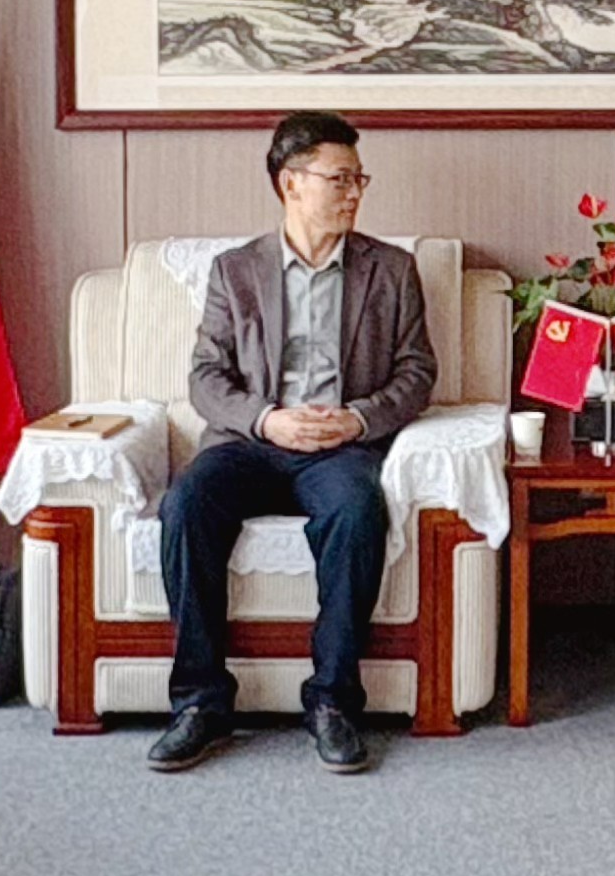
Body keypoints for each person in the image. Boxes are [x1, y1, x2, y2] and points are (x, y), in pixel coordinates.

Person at [153, 111, 436, 774]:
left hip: (341, 446)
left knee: (357, 511)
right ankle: (199, 702)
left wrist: (358, 419)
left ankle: (333, 701)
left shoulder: (391, 270)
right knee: (185, 504)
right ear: (290, 184)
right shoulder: (235, 271)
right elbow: (204, 377)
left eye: (359, 179)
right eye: (340, 179)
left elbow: (417, 372)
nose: (354, 192)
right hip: (250, 442)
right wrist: (265, 420)